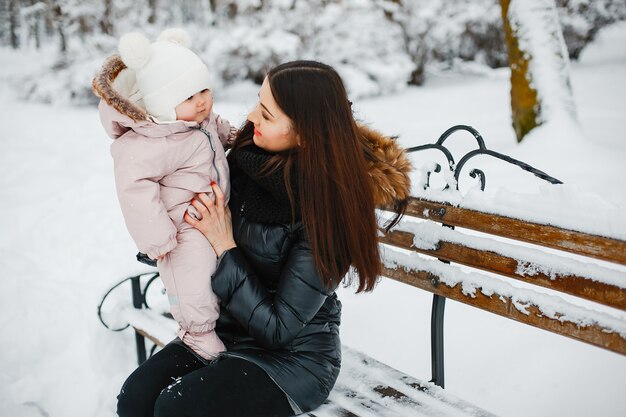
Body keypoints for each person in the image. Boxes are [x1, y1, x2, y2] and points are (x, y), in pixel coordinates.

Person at [115, 60, 412, 417]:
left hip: (291, 361)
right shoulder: (244, 160)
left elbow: (278, 328)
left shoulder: (330, 209)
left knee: (177, 409)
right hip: (222, 333)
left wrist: (225, 246)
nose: (252, 116)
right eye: (258, 101)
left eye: (267, 114)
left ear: (305, 133)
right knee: (136, 398)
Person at [93, 28, 235, 361]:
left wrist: (240, 138)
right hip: (181, 226)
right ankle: (197, 333)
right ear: (161, 102)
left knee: (220, 273)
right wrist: (159, 238)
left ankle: (223, 320)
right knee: (193, 278)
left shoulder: (202, 120)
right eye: (188, 96)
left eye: (204, 89)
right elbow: (135, 189)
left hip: (214, 214)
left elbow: (222, 131)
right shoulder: (150, 142)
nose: (201, 101)